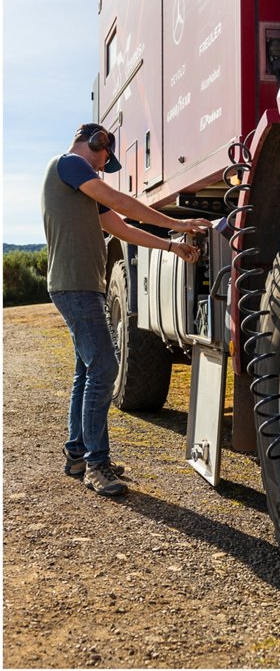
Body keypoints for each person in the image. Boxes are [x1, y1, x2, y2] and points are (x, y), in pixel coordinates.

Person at [41, 123, 212, 496]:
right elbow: (122, 203)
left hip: (80, 286)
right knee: (104, 367)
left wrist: (170, 244)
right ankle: (95, 464)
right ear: (96, 142)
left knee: (88, 371)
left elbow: (121, 227)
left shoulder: (82, 185)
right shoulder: (68, 165)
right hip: (75, 286)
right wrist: (178, 222)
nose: (104, 166)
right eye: (105, 158)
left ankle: (76, 453)